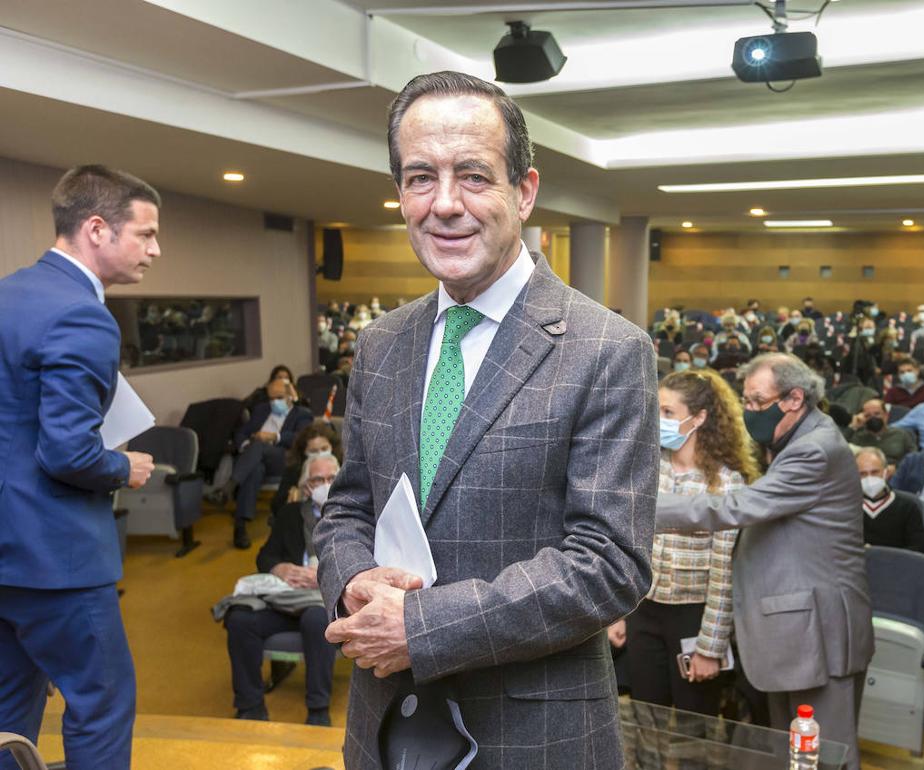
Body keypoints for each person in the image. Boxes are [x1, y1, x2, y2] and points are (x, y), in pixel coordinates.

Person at [313, 71, 658, 770]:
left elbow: (610, 564)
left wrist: (421, 626)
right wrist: (353, 581)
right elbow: (349, 504)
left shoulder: (608, 349)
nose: (444, 205)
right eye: (419, 178)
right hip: (385, 727)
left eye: (472, 175)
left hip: (533, 736)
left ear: (523, 191)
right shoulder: (382, 343)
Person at [0, 165, 161, 769]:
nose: (155, 249)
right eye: (145, 234)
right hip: (56, 559)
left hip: (4, 556)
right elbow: (66, 452)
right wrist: (123, 466)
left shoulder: (8, 293)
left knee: (7, 707)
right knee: (101, 701)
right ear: (97, 229)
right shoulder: (83, 315)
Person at [653, 353, 873, 770]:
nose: (748, 411)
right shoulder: (791, 440)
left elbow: (738, 507)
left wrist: (648, 509)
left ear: (793, 399)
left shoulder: (815, 450)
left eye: (756, 402)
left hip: (819, 635)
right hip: (792, 633)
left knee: (821, 758)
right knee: (788, 754)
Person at [618, 369, 758, 716]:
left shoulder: (727, 484)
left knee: (695, 724)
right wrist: (616, 614)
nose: (659, 420)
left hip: (693, 618)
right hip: (643, 610)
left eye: (669, 413)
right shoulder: (647, 466)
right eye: (657, 411)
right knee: (645, 715)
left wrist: (710, 648)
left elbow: (724, 573)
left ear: (699, 418)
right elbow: (625, 543)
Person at [224, 455, 341, 725]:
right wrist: (279, 569)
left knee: (316, 619)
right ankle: (250, 706)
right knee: (240, 618)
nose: (324, 484)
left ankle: (318, 709)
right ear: (306, 485)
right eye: (317, 480)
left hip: (321, 599)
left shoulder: (351, 516)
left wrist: (324, 575)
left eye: (331, 479)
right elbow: (264, 557)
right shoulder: (290, 514)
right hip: (286, 596)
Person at [230, 378, 314, 548]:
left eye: (279, 397)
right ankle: (240, 526)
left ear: (291, 395)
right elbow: (241, 432)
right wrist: (247, 445)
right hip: (256, 460)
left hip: (283, 458)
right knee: (255, 469)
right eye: (271, 398)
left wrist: (274, 437)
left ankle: (230, 484)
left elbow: (301, 438)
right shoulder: (261, 410)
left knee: (259, 446)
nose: (274, 402)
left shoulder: (302, 414)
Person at [857, 447, 924, 553]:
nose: (869, 478)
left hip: (899, 567)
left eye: (875, 472)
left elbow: (919, 549)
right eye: (862, 474)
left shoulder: (908, 506)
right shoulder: (845, 507)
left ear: (886, 473)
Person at [271, 421, 341, 518]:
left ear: (332, 447)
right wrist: (298, 496)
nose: (320, 454)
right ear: (304, 453)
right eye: (313, 451)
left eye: (324, 449)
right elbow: (276, 507)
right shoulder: (293, 472)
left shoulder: (344, 468)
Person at [847, 398, 917, 467]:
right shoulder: (857, 437)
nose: (873, 418)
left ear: (886, 415)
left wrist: (896, 468)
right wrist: (853, 426)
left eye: (877, 414)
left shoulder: (901, 434)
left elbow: (914, 459)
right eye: (868, 416)